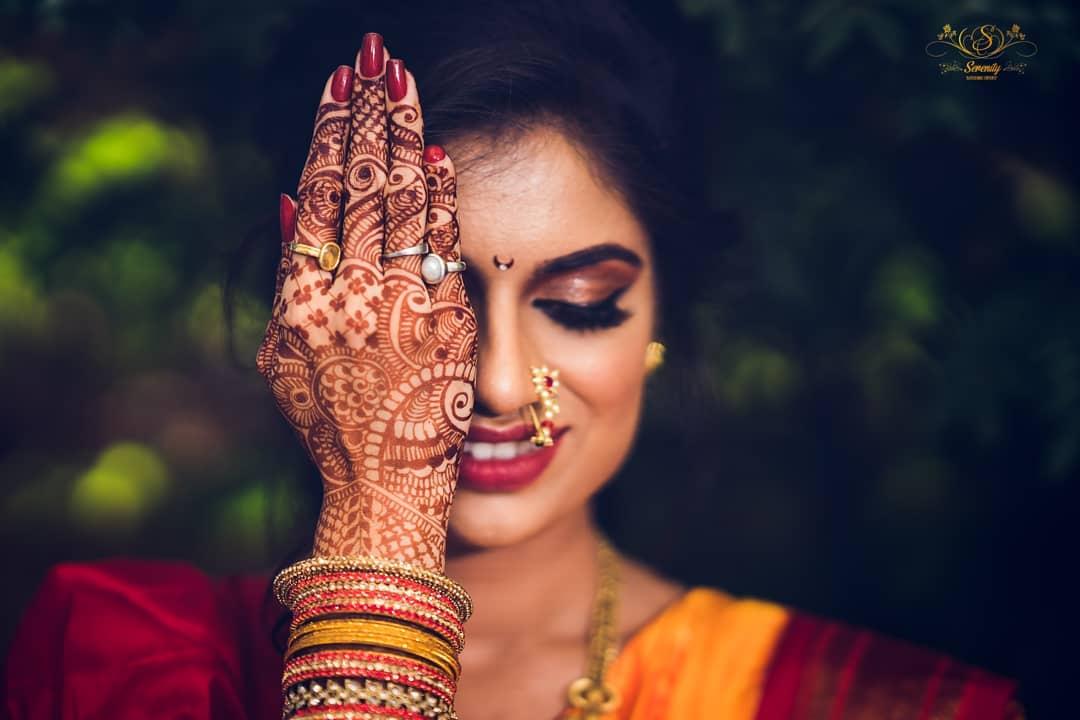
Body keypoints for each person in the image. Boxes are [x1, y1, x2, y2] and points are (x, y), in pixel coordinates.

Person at [4, 2, 1023, 718]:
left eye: (582, 306)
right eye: (426, 302)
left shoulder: (884, 706)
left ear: (662, 313)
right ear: (300, 307)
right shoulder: (126, 670)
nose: (492, 386)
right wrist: (376, 542)